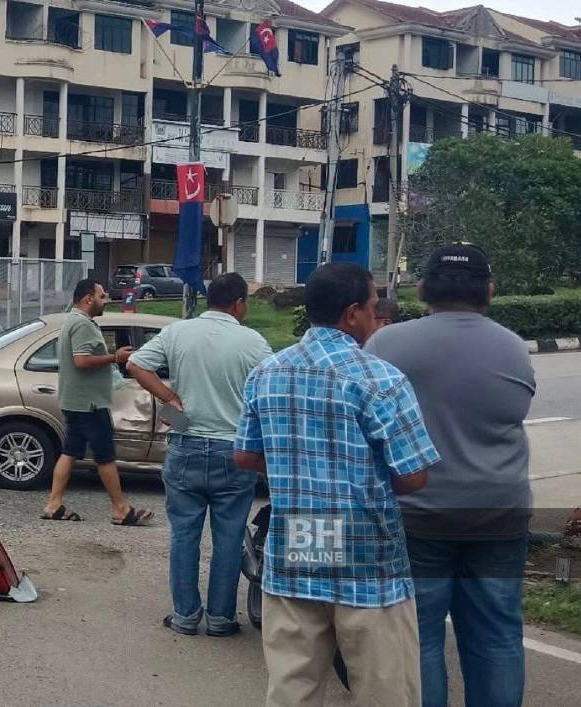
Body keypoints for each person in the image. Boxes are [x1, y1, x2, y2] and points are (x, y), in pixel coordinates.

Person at [235, 262, 440, 707]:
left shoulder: (268, 373)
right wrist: (360, 484)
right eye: (371, 307)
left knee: (292, 686)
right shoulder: (380, 379)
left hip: (299, 540)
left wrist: (300, 474)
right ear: (352, 314)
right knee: (385, 687)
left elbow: (246, 456)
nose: (373, 316)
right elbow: (414, 475)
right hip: (367, 553)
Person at [365, 244, 536, 707]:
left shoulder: (386, 344)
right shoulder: (513, 347)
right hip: (499, 512)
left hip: (415, 517)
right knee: (498, 635)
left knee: (417, 638)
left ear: (422, 288)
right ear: (490, 291)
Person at [126, 272, 272, 637]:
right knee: (228, 538)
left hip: (186, 442)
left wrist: (169, 398)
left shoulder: (178, 332)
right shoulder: (252, 342)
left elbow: (136, 364)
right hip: (233, 451)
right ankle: (221, 619)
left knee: (184, 535)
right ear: (239, 303)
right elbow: (274, 385)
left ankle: (185, 616)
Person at [41, 278, 154, 526]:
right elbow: (81, 361)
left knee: (70, 452)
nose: (106, 301)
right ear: (88, 299)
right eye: (102, 297)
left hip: (76, 400)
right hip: (90, 403)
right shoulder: (82, 325)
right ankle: (121, 509)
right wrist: (115, 357)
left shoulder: (72, 320)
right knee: (105, 455)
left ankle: (53, 503)